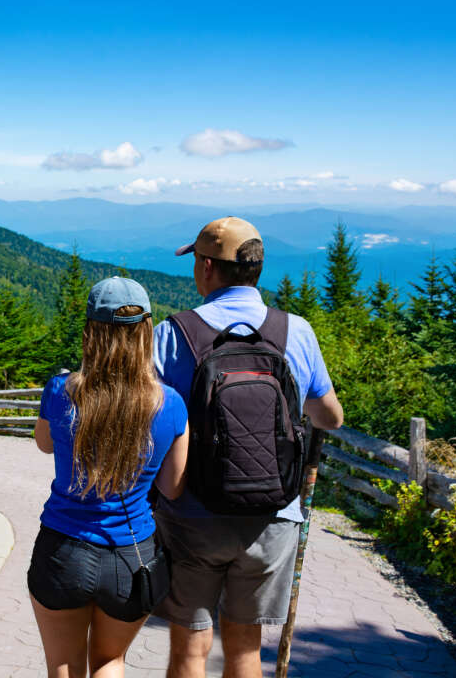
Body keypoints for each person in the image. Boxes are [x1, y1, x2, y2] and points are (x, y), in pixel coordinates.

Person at [153, 217, 344, 678]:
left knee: (189, 652)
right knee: (243, 653)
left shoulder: (173, 332)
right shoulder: (295, 330)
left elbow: (149, 418)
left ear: (205, 267)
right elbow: (330, 418)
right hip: (273, 515)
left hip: (193, 513)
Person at [29, 276, 190, 678]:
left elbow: (44, 444)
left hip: (62, 550)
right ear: (146, 332)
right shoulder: (170, 404)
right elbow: (173, 486)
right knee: (111, 661)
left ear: (90, 332)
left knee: (63, 667)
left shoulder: (60, 390)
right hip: (132, 556)